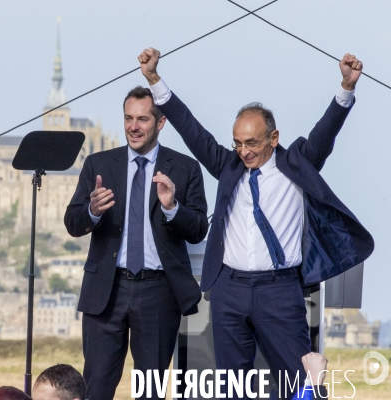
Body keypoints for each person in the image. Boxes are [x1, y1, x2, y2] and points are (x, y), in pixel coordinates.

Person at [138, 48, 374, 398]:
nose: (244, 151)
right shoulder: (228, 165)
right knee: (233, 389)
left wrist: (345, 89)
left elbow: (325, 133)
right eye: (238, 144)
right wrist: (155, 80)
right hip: (229, 290)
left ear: (273, 139)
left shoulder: (298, 163)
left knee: (301, 381)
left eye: (252, 143)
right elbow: (192, 129)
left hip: (279, 291)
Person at [64, 86, 209, 399]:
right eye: (128, 118)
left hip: (159, 293)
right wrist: (92, 210)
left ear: (160, 123)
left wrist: (172, 208)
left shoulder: (185, 169)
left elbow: (198, 229)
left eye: (142, 119)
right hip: (106, 290)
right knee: (96, 387)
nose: (133, 126)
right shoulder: (98, 164)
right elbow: (73, 223)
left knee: (150, 392)